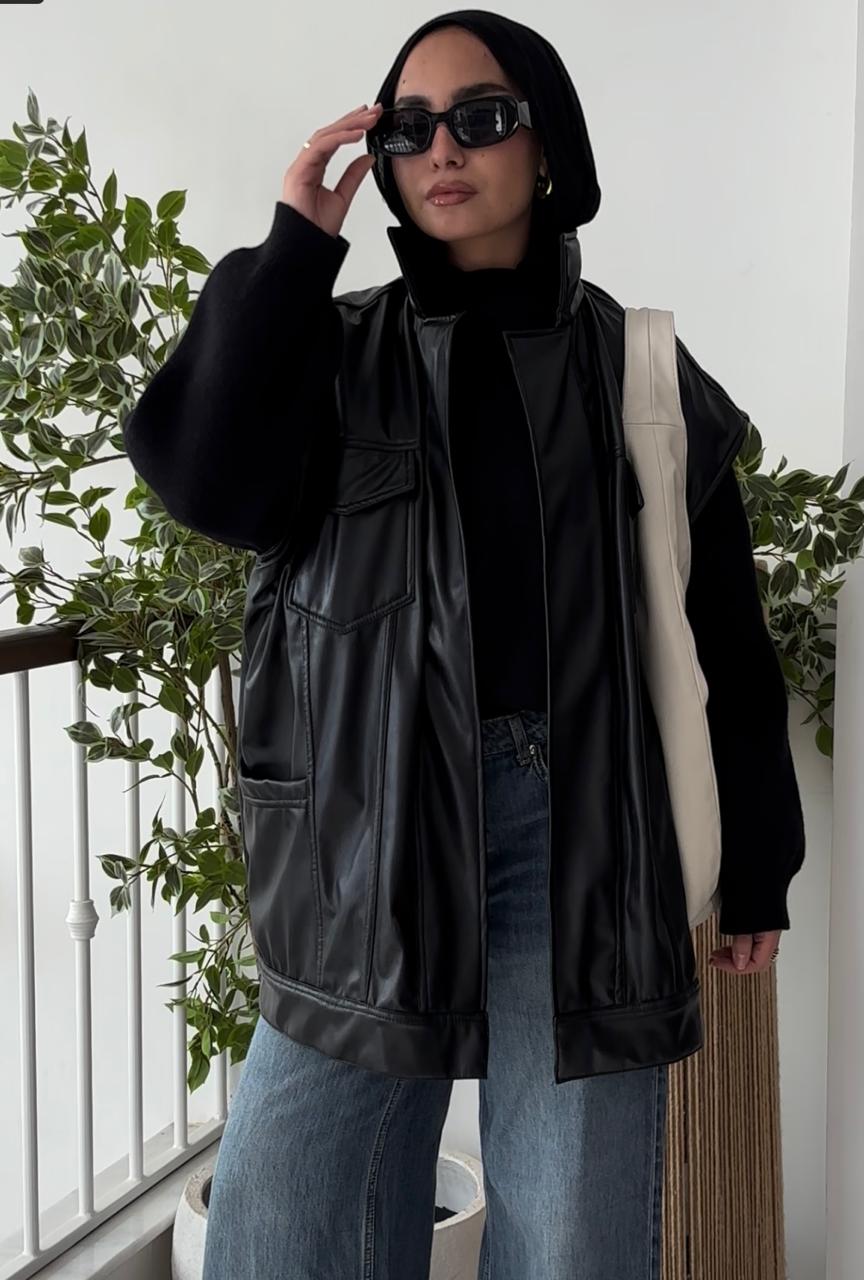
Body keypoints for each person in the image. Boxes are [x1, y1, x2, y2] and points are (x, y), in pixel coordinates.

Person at [123, 11, 806, 1278]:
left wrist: (759, 857)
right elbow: (204, 481)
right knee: (285, 1228)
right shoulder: (327, 353)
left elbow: (723, 627)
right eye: (410, 126)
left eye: (482, 118)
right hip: (363, 833)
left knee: (571, 1234)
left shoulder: (641, 370)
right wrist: (293, 247)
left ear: (546, 147)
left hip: (587, 829)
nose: (443, 149)